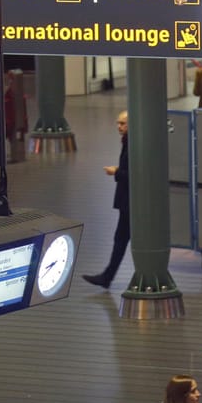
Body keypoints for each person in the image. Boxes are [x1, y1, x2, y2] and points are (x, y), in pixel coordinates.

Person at [81, 111, 129, 289]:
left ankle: (107, 277)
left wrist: (115, 172)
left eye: (123, 123)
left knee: (121, 239)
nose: (119, 127)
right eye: (118, 123)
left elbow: (134, 173)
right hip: (129, 202)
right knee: (121, 238)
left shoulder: (130, 143)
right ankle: (107, 276)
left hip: (129, 202)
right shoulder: (128, 141)